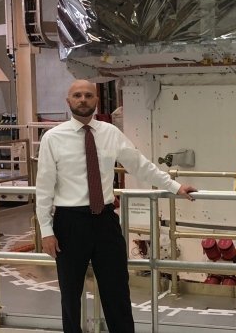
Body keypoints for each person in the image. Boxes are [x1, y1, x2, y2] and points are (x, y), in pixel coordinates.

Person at [36, 80, 197, 333]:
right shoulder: (53, 138)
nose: (83, 99)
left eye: (88, 95)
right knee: (70, 295)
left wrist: (174, 187)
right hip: (69, 223)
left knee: (117, 291)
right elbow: (44, 187)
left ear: (96, 100)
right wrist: (46, 230)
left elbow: (140, 165)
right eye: (77, 95)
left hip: (105, 222)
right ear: (68, 101)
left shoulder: (110, 133)